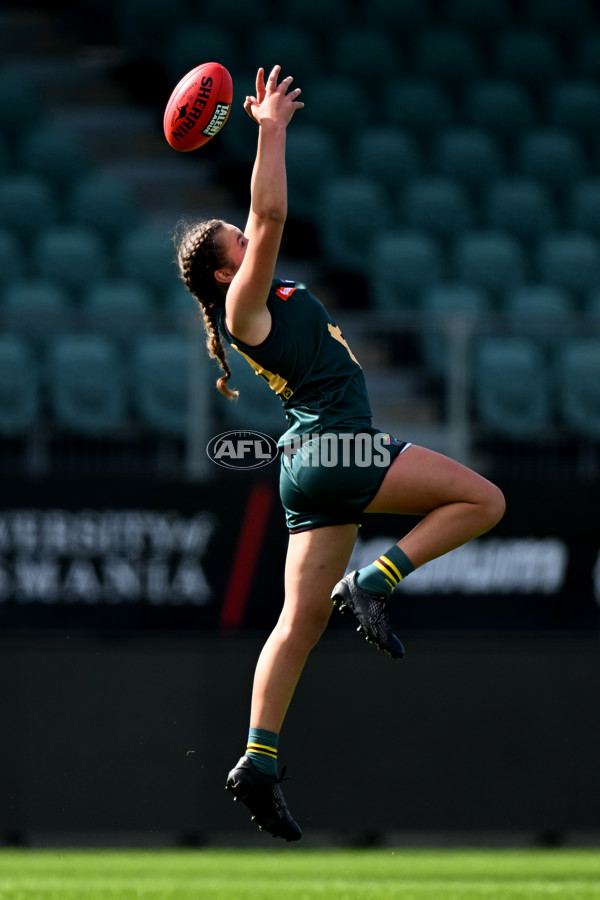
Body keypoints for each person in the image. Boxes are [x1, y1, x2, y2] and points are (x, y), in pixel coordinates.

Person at [175, 65, 505, 842]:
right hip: (339, 444)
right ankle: (378, 579)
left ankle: (256, 762)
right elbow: (273, 207)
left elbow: (264, 219)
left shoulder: (260, 298)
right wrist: (271, 129)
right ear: (226, 268)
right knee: (483, 501)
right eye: (234, 238)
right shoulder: (242, 300)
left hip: (307, 464)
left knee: (295, 624)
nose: (244, 232)